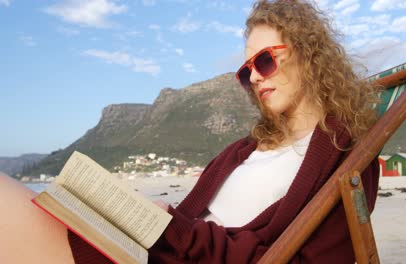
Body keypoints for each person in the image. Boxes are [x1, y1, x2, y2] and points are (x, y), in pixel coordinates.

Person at [0, 0, 381, 263]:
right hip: (156, 250)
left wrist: (175, 229)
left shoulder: (345, 153)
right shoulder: (244, 150)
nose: (254, 76)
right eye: (246, 70)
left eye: (265, 61)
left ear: (309, 56)